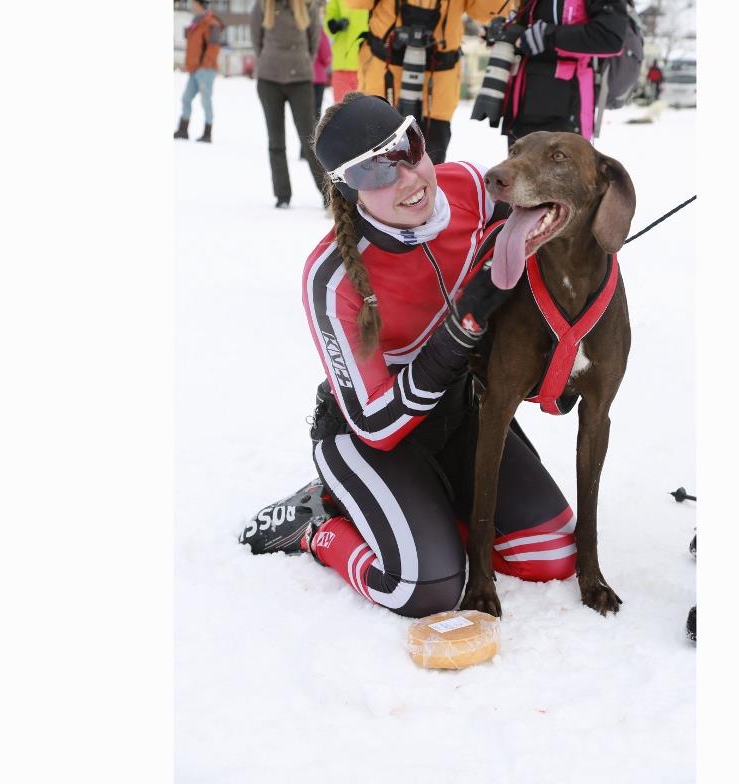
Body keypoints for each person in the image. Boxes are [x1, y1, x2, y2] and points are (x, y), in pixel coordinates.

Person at [239, 94, 582, 618]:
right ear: (346, 189)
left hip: (459, 411)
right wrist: (458, 332)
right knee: (427, 589)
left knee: (551, 554)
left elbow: (552, 224)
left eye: (409, 147)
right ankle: (318, 526)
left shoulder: (471, 186)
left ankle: (423, 512)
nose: (408, 178)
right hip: (369, 435)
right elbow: (376, 423)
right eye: (375, 171)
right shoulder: (330, 277)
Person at [347, 0, 499, 164]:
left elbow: (486, 12)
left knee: (430, 162)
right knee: (375, 162)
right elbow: (355, 3)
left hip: (438, 86)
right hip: (384, 78)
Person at [499, 0, 628, 144]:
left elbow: (609, 38)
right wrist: (506, 33)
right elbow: (529, 32)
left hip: (564, 113)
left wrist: (548, 36)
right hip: (521, 111)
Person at [253, 0, 328, 208]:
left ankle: (327, 195)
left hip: (300, 81)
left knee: (310, 140)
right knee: (276, 142)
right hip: (269, 80)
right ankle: (282, 195)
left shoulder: (307, 5)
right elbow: (256, 40)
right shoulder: (262, 5)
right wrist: (270, 62)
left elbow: (314, 41)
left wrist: (301, 61)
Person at [174, 0, 225, 143]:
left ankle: (207, 133)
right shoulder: (195, 22)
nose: (191, 6)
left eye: (194, 3)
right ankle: (183, 130)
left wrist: (204, 65)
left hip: (205, 70)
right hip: (194, 69)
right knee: (186, 98)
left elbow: (214, 47)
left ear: (200, 5)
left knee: (205, 101)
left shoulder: (212, 23)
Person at [323, 0, 370, 103]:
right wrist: (333, 25)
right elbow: (329, 16)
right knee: (340, 108)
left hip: (367, 64)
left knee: (366, 108)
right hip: (342, 64)